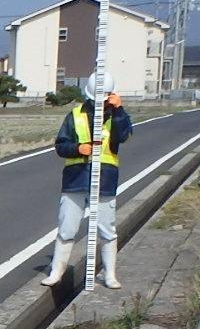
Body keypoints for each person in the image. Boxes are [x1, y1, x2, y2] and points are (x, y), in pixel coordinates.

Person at [42, 72, 134, 289]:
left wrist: (119, 110)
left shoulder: (118, 116)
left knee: (107, 229)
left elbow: (123, 136)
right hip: (75, 180)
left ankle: (109, 274)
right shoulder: (75, 115)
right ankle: (57, 271)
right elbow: (60, 146)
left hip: (105, 180)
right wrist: (78, 149)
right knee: (66, 227)